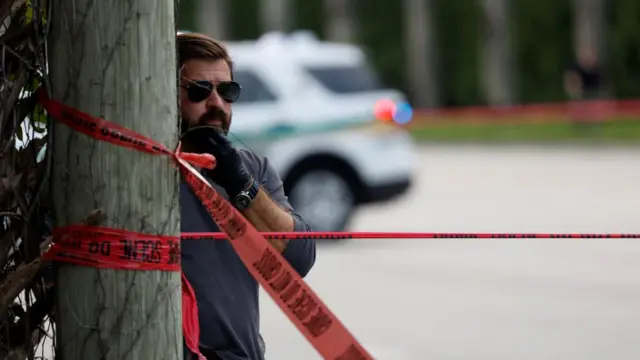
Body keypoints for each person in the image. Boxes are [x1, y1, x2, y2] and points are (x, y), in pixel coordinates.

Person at [177, 32, 317, 360]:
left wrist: (242, 186)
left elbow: (298, 259)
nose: (216, 104)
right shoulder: (135, 169)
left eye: (227, 92)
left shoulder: (252, 167)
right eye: (199, 91)